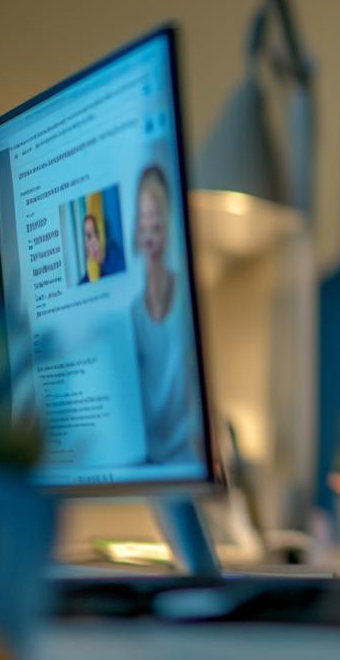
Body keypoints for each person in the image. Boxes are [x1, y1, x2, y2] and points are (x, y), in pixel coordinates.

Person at [130, 164, 201, 465]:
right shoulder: (134, 311)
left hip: (190, 456)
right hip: (151, 460)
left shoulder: (186, 295)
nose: (149, 234)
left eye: (155, 224)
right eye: (144, 224)